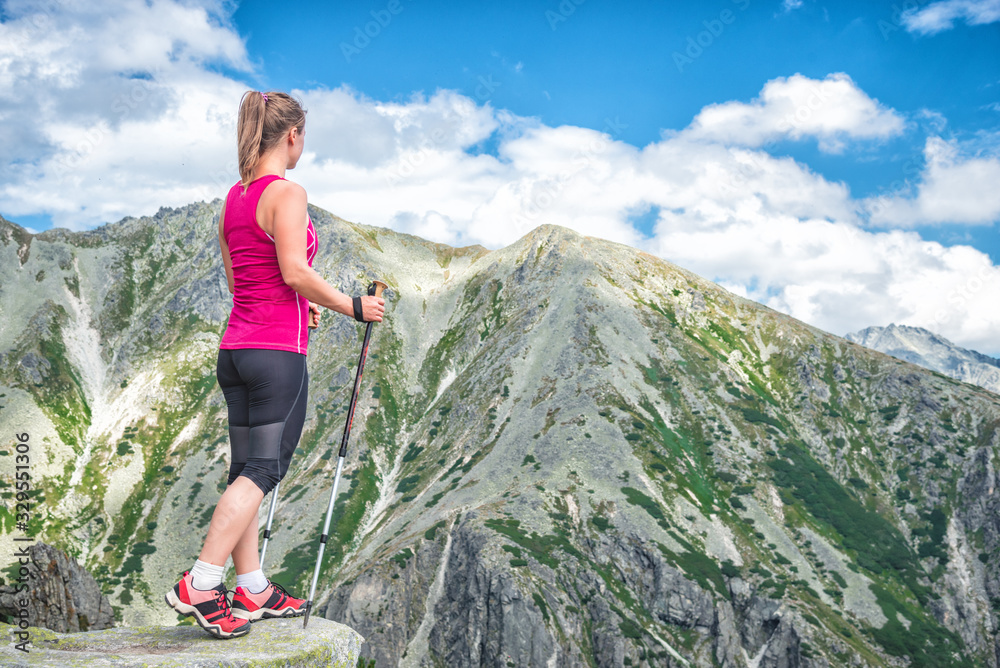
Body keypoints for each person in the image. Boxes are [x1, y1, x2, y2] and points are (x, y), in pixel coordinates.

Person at [164, 90, 386, 639]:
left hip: (235, 348)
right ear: (292, 136)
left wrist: (302, 303)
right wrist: (353, 306)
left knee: (245, 469)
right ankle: (201, 580)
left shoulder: (234, 199)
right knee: (264, 470)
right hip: (276, 355)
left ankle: (253, 587)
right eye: (304, 136)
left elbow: (245, 281)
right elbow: (292, 270)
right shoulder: (288, 193)